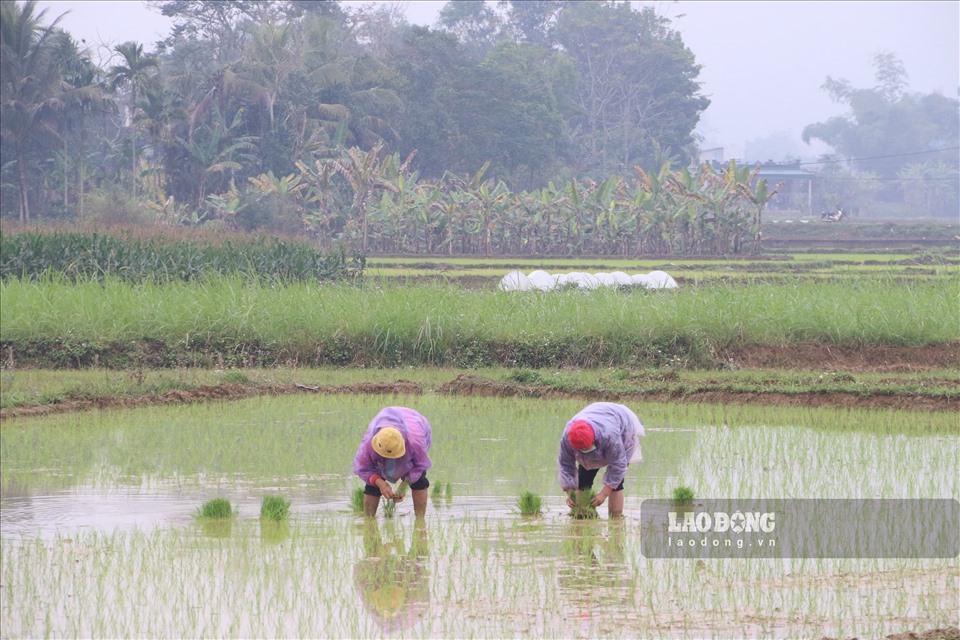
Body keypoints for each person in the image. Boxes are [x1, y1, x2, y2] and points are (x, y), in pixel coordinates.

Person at [558, 402, 645, 518]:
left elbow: (618, 466)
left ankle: (616, 519)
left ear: (594, 440)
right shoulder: (567, 437)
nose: (584, 452)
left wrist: (604, 494)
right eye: (580, 450)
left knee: (617, 484)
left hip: (621, 424)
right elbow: (565, 464)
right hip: (595, 418)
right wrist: (569, 492)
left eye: (585, 448)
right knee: (583, 479)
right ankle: (581, 515)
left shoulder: (610, 436)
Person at [354, 406, 433, 517]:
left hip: (415, 424)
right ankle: (369, 523)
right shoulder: (368, 444)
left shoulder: (415, 442)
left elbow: (419, 466)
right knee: (372, 485)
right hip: (383, 432)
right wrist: (380, 483)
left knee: (418, 481)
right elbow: (363, 468)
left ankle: (420, 522)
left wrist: (405, 483)